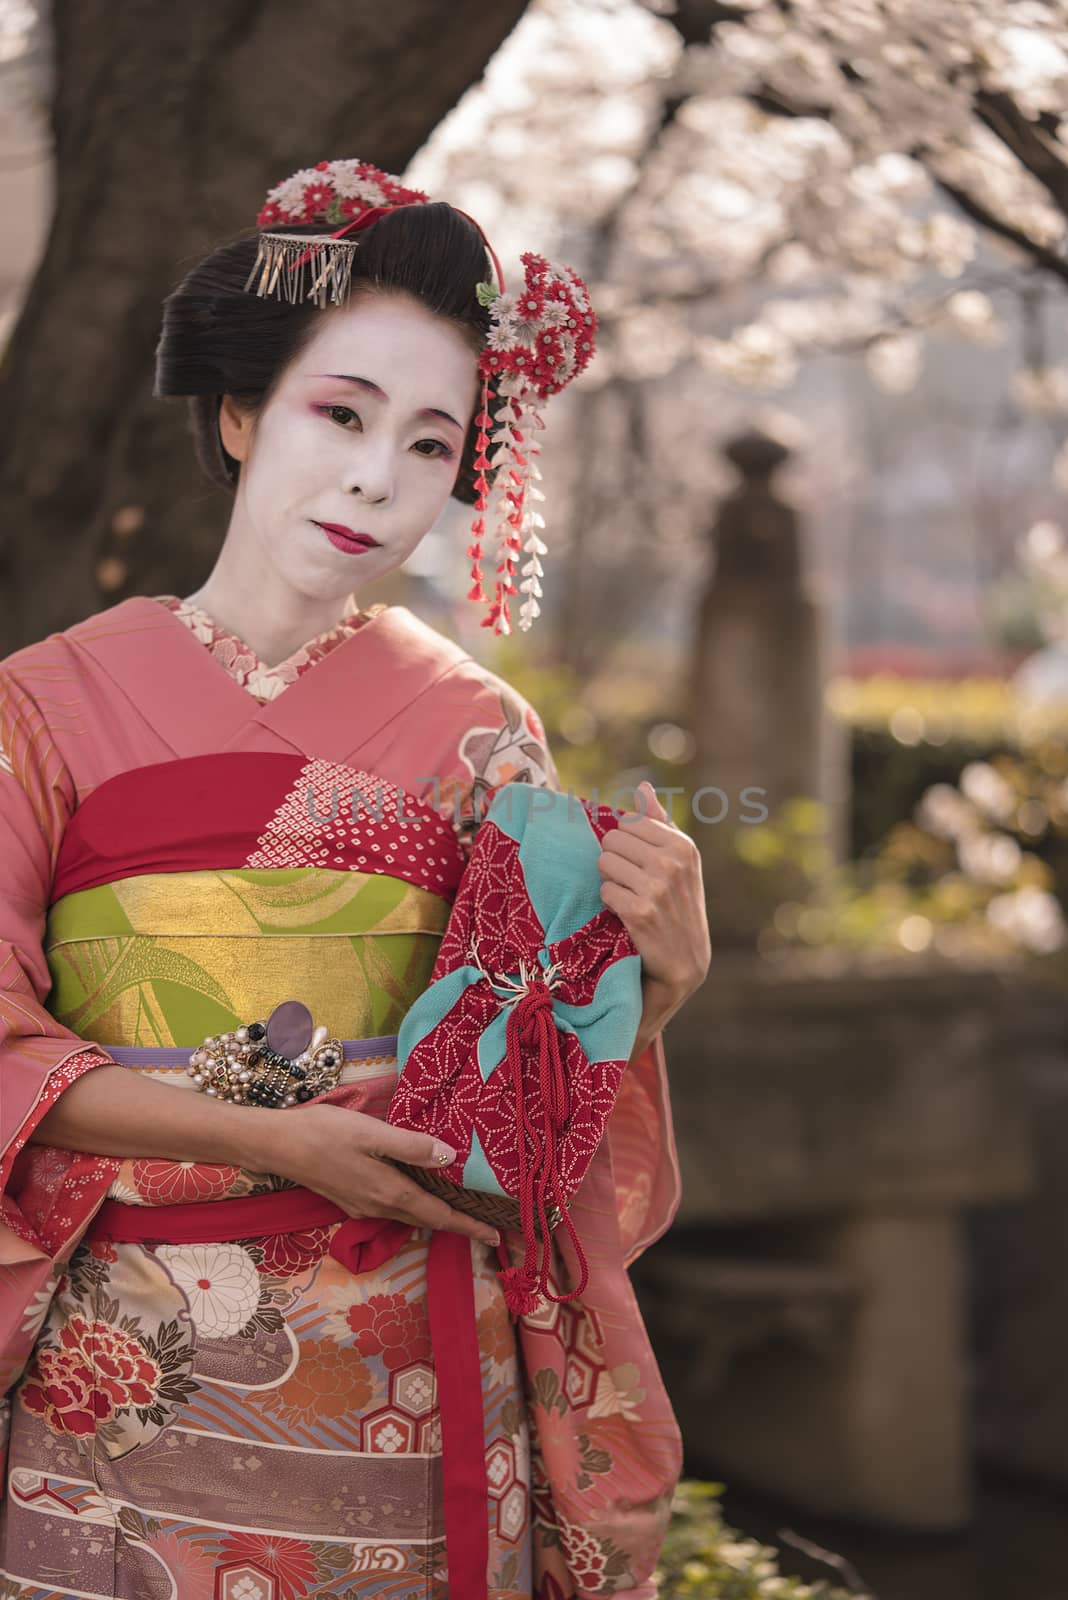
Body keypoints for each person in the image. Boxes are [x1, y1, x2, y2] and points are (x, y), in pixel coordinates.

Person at [0, 159, 709, 1599]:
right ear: (241, 410)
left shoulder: (480, 729)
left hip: (406, 1370)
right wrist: (277, 1137)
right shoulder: (42, 705)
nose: (380, 478)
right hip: (124, 1373)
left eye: (436, 446)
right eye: (342, 414)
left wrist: (652, 993)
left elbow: (523, 1102)